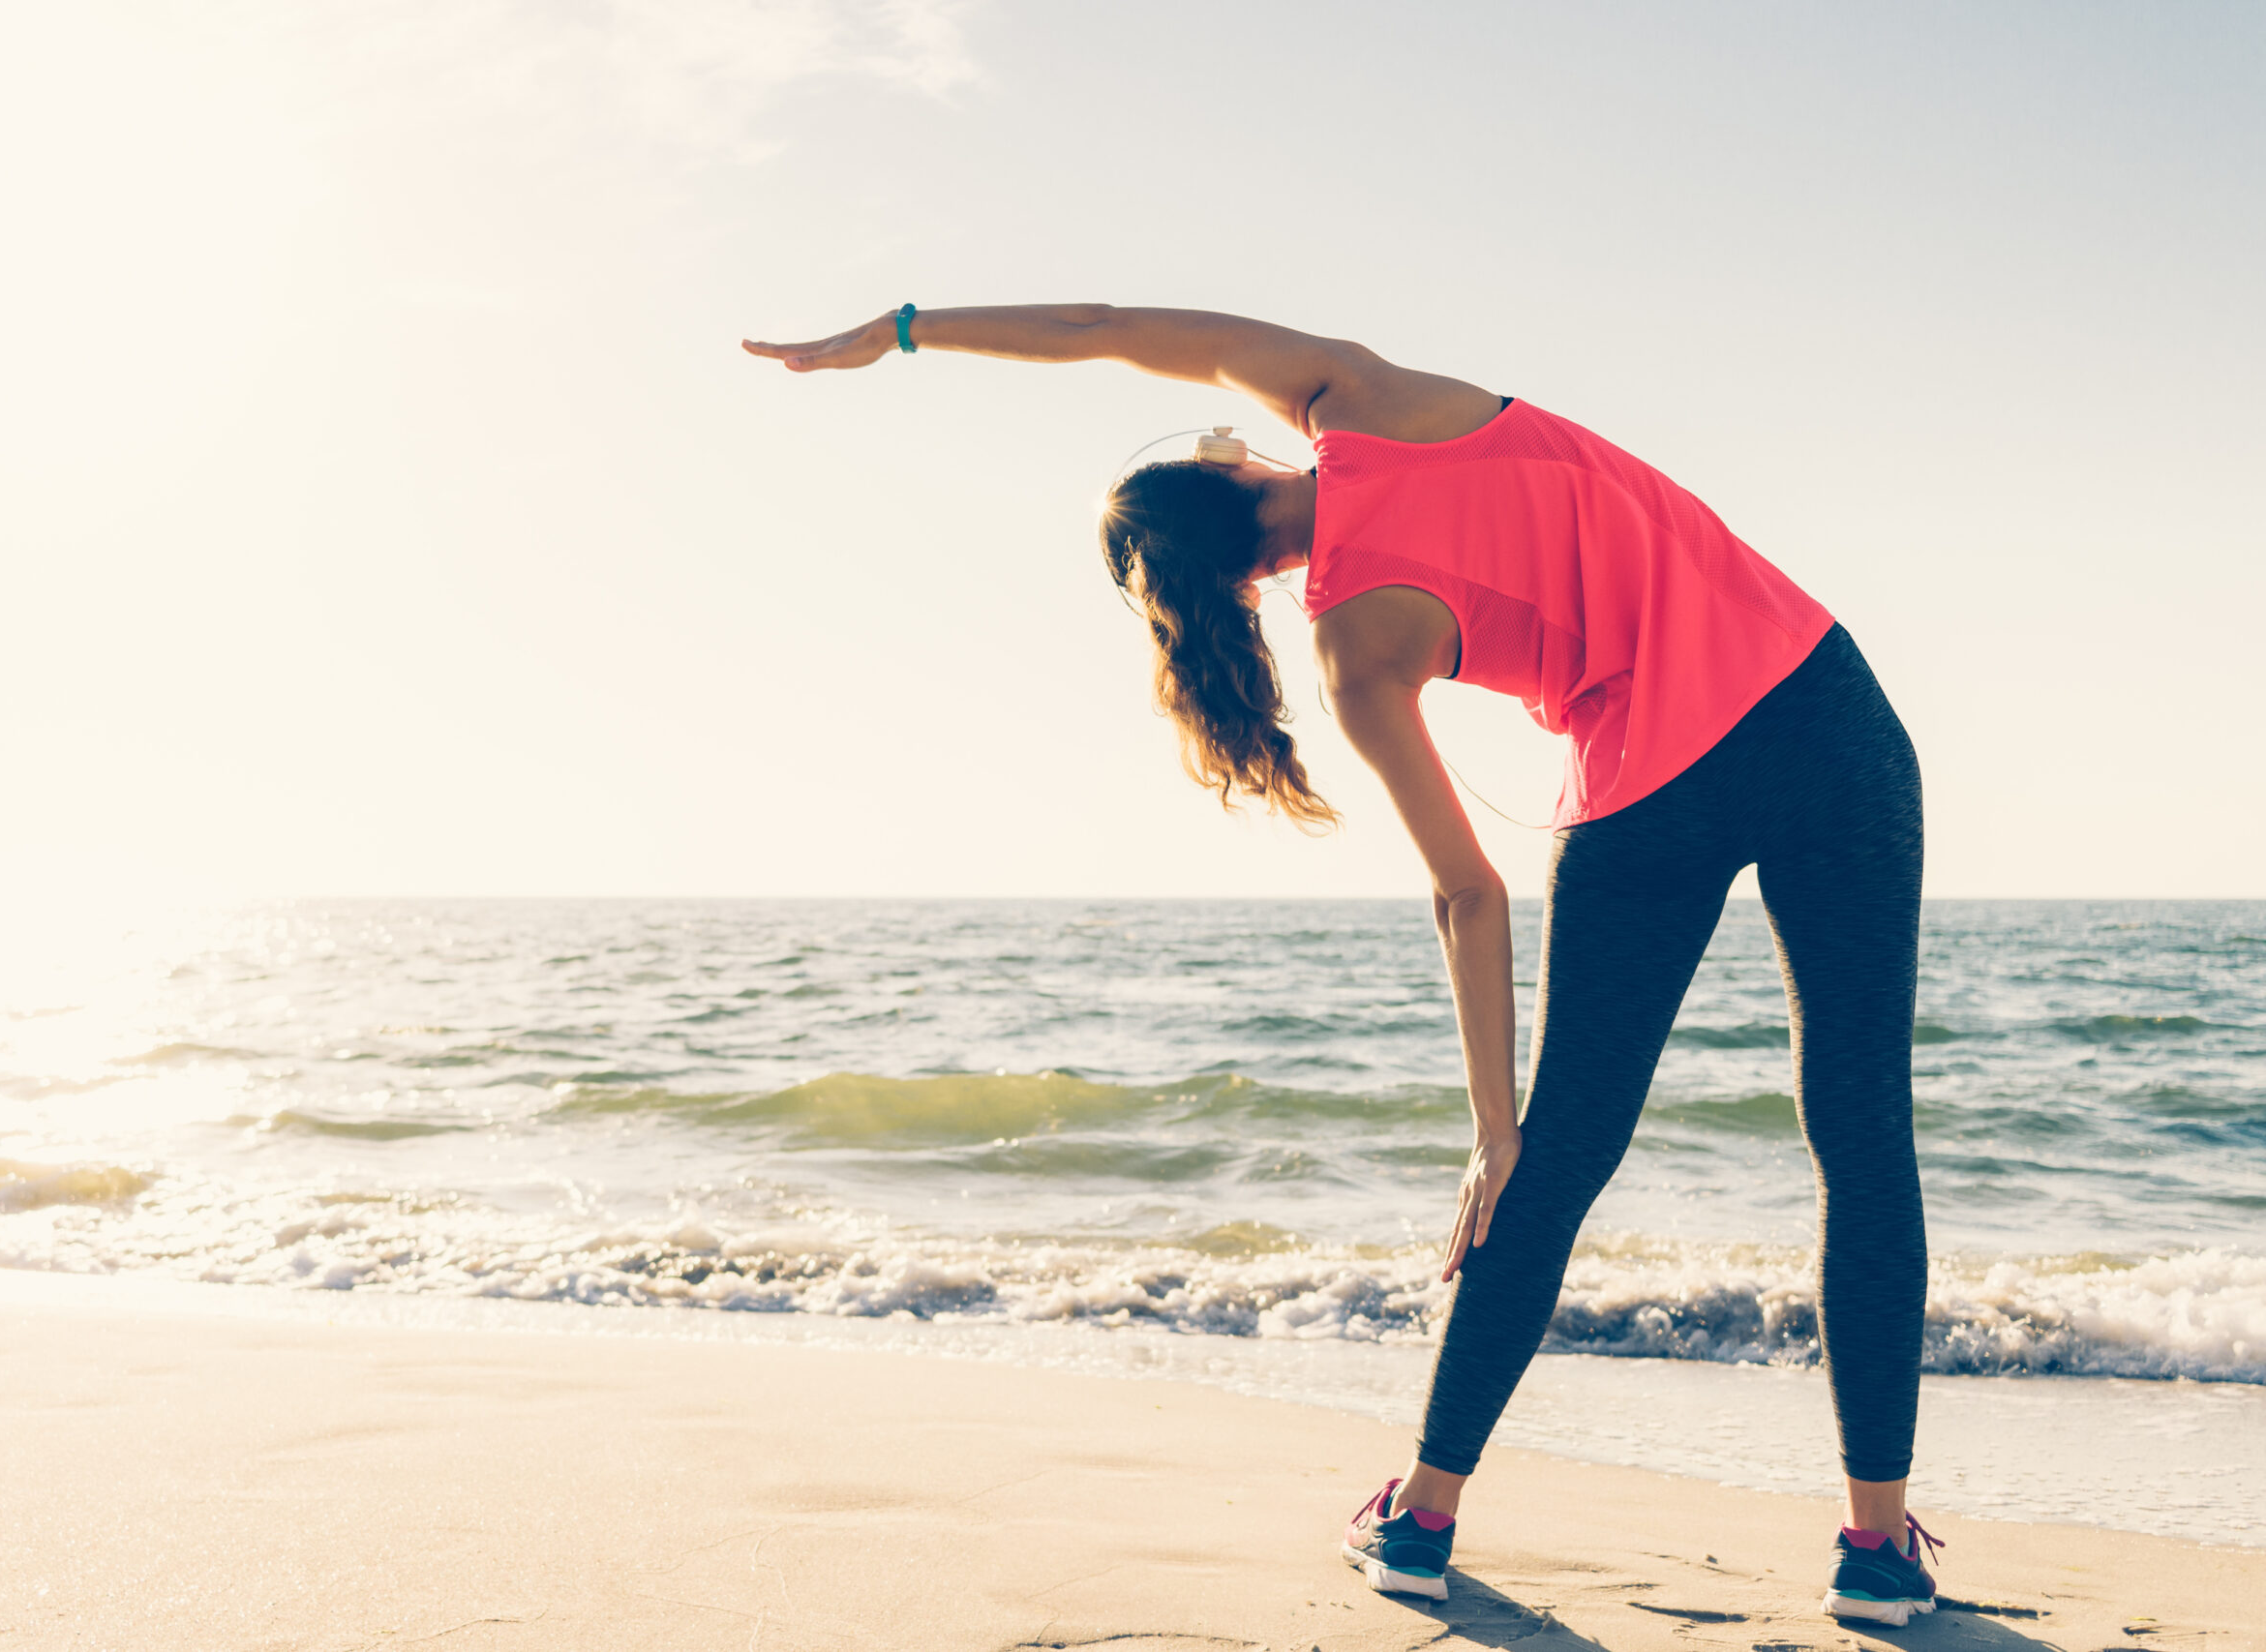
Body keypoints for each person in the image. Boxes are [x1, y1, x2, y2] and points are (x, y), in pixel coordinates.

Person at [742, 304, 1940, 1628]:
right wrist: (905, 332)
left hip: (1640, 803)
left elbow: (1465, 896)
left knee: (1550, 1166)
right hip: (1822, 718)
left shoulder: (1351, 649)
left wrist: (1495, 1129)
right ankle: (1875, 1553)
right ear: (1226, 463)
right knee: (1860, 1136)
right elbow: (1106, 325)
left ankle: (1423, 1519)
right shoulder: (1355, 395)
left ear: (1225, 586)